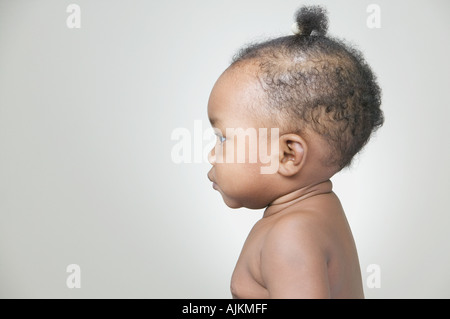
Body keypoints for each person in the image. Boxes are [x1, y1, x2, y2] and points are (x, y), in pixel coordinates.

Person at [207, 5, 383, 298]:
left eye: (223, 138)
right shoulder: (323, 212)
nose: (212, 154)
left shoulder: (289, 235)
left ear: (287, 155)